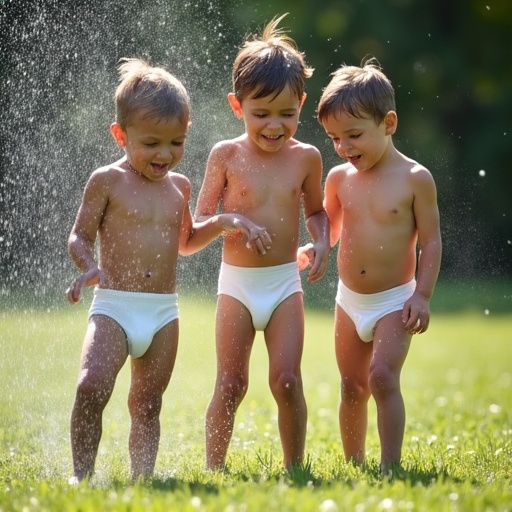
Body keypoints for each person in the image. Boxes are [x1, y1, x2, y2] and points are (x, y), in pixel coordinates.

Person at [66, 57, 270, 483]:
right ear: (121, 135)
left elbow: (186, 241)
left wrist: (224, 223)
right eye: (152, 143)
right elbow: (79, 236)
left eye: (176, 143)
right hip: (114, 306)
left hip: (162, 313)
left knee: (148, 404)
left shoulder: (180, 187)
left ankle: (143, 480)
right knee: (91, 388)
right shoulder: (106, 180)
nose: (165, 154)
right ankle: (80, 477)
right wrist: (87, 267)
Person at [194, 14, 330, 472]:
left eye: (287, 114)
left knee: (287, 380)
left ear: (302, 105)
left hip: (283, 284)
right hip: (237, 285)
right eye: (261, 114)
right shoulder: (226, 155)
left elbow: (315, 212)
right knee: (230, 384)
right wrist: (233, 221)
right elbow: (200, 220)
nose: (275, 126)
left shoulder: (307, 158)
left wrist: (323, 240)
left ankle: (296, 468)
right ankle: (214, 470)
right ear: (237, 106)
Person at [317, 58, 442, 473]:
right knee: (352, 386)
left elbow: (432, 240)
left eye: (354, 135)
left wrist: (421, 295)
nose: (344, 147)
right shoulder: (338, 178)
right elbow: (331, 229)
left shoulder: (415, 178)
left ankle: (391, 466)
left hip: (394, 300)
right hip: (348, 301)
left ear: (388, 123)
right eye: (335, 138)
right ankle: (355, 465)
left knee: (382, 377)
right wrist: (314, 248)